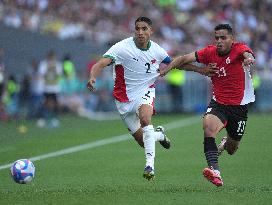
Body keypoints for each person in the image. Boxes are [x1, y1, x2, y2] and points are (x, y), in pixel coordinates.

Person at [87, 16, 216, 181]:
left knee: (146, 120)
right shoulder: (121, 48)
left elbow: (177, 63)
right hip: (123, 99)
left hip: (145, 92)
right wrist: (92, 77)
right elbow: (100, 64)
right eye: (137, 29)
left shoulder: (157, 50)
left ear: (151, 31)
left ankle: (150, 166)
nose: (140, 32)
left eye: (144, 29)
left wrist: (201, 70)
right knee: (143, 141)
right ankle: (160, 135)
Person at [160, 24, 255, 187]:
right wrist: (172, 69)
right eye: (216, 38)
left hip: (239, 107)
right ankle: (215, 172)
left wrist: (248, 58)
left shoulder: (239, 49)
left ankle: (225, 143)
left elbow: (247, 53)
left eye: (223, 38)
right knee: (208, 127)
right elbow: (182, 60)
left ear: (232, 39)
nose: (219, 41)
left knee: (232, 149)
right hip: (218, 104)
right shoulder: (209, 52)